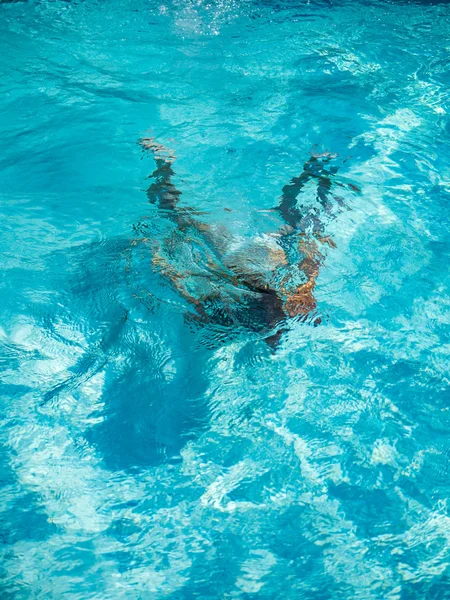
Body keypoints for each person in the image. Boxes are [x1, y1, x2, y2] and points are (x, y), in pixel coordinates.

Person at [131, 138, 357, 345]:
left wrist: (158, 259)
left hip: (246, 248)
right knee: (289, 212)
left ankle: (164, 162)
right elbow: (311, 265)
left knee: (174, 211)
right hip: (257, 246)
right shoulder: (295, 296)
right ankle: (313, 170)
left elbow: (184, 286)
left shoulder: (238, 302)